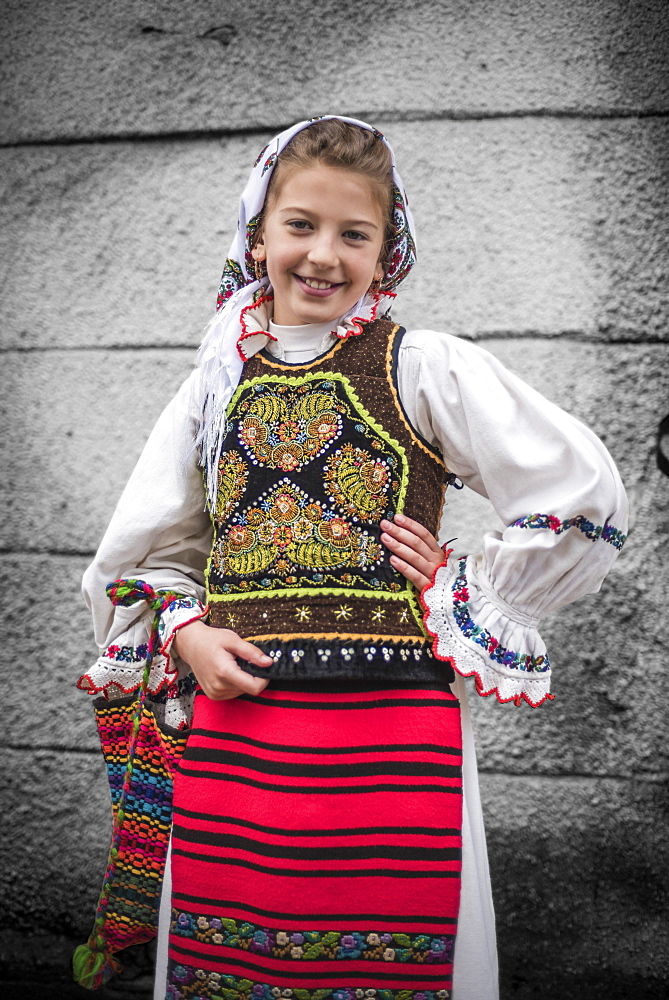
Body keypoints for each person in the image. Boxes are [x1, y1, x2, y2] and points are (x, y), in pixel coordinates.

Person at [76, 116, 627, 1000]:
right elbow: (144, 557)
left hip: (390, 733)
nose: (323, 254)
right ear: (258, 233)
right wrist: (183, 637)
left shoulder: (422, 368)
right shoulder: (213, 384)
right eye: (300, 225)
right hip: (237, 731)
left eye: (352, 233)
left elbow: (578, 490)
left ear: (387, 247)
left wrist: (466, 588)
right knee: (226, 961)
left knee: (396, 960)